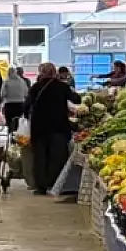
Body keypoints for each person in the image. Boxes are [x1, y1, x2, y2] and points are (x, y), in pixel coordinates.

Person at [27, 60, 80, 196]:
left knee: (40, 157)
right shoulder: (62, 87)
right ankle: (54, 183)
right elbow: (77, 99)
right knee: (57, 156)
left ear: (41, 73)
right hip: (58, 127)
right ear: (54, 72)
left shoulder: (35, 87)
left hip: (39, 128)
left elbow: (26, 106)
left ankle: (41, 186)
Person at [0, 65, 29, 132]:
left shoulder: (6, 81)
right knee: (18, 123)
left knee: (9, 123)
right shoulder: (22, 81)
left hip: (9, 105)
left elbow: (2, 94)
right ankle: (17, 138)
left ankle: (10, 137)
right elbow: (26, 93)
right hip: (20, 105)